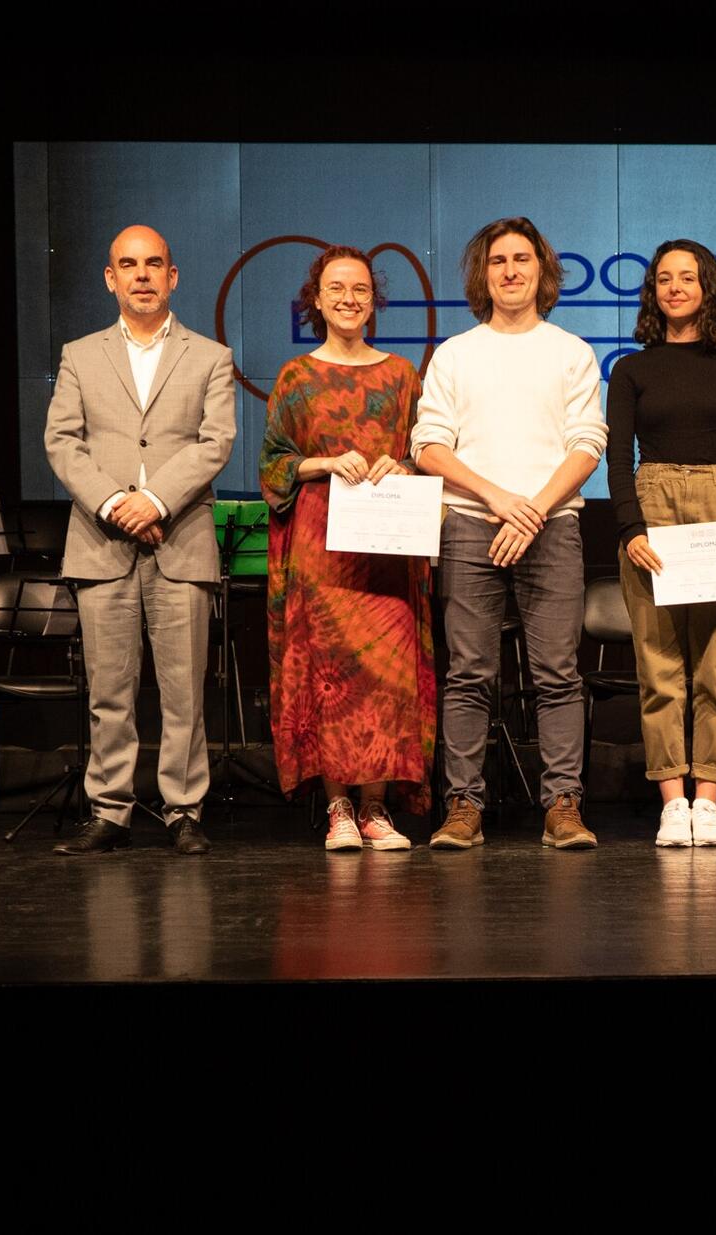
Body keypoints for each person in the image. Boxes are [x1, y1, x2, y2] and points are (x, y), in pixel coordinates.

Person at [412, 217, 607, 851]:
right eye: (498, 261)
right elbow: (427, 446)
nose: (511, 270)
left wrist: (534, 511)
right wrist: (499, 499)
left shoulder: (571, 352)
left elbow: (588, 444)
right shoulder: (456, 353)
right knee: (469, 674)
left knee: (558, 674)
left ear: (542, 270)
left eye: (522, 258)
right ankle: (463, 806)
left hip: (553, 528)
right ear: (483, 274)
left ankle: (563, 807)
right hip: (471, 527)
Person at [44, 224, 236, 855]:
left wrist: (153, 501)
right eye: (129, 265)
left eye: (154, 263)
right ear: (111, 278)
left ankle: (184, 811)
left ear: (172, 276)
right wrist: (114, 504)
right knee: (110, 692)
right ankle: (110, 811)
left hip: (181, 540)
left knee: (184, 692)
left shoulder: (209, 356)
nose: (143, 275)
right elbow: (62, 442)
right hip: (101, 543)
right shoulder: (80, 354)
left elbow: (214, 442)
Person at [260, 245, 434, 852]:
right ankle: (338, 808)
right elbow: (273, 464)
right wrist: (326, 462)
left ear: (374, 300)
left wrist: (403, 465)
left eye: (359, 288)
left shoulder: (402, 376)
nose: (348, 298)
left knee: (386, 675)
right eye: (336, 288)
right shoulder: (296, 377)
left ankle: (376, 809)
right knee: (329, 675)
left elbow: (425, 453)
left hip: (388, 548)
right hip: (321, 547)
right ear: (316, 299)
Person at [607, 239, 716, 847]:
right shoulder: (631, 369)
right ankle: (672, 803)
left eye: (687, 277)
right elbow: (617, 459)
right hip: (653, 505)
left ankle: (708, 801)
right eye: (664, 279)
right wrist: (631, 529)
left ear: (708, 288)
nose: (675, 287)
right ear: (652, 291)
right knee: (659, 669)